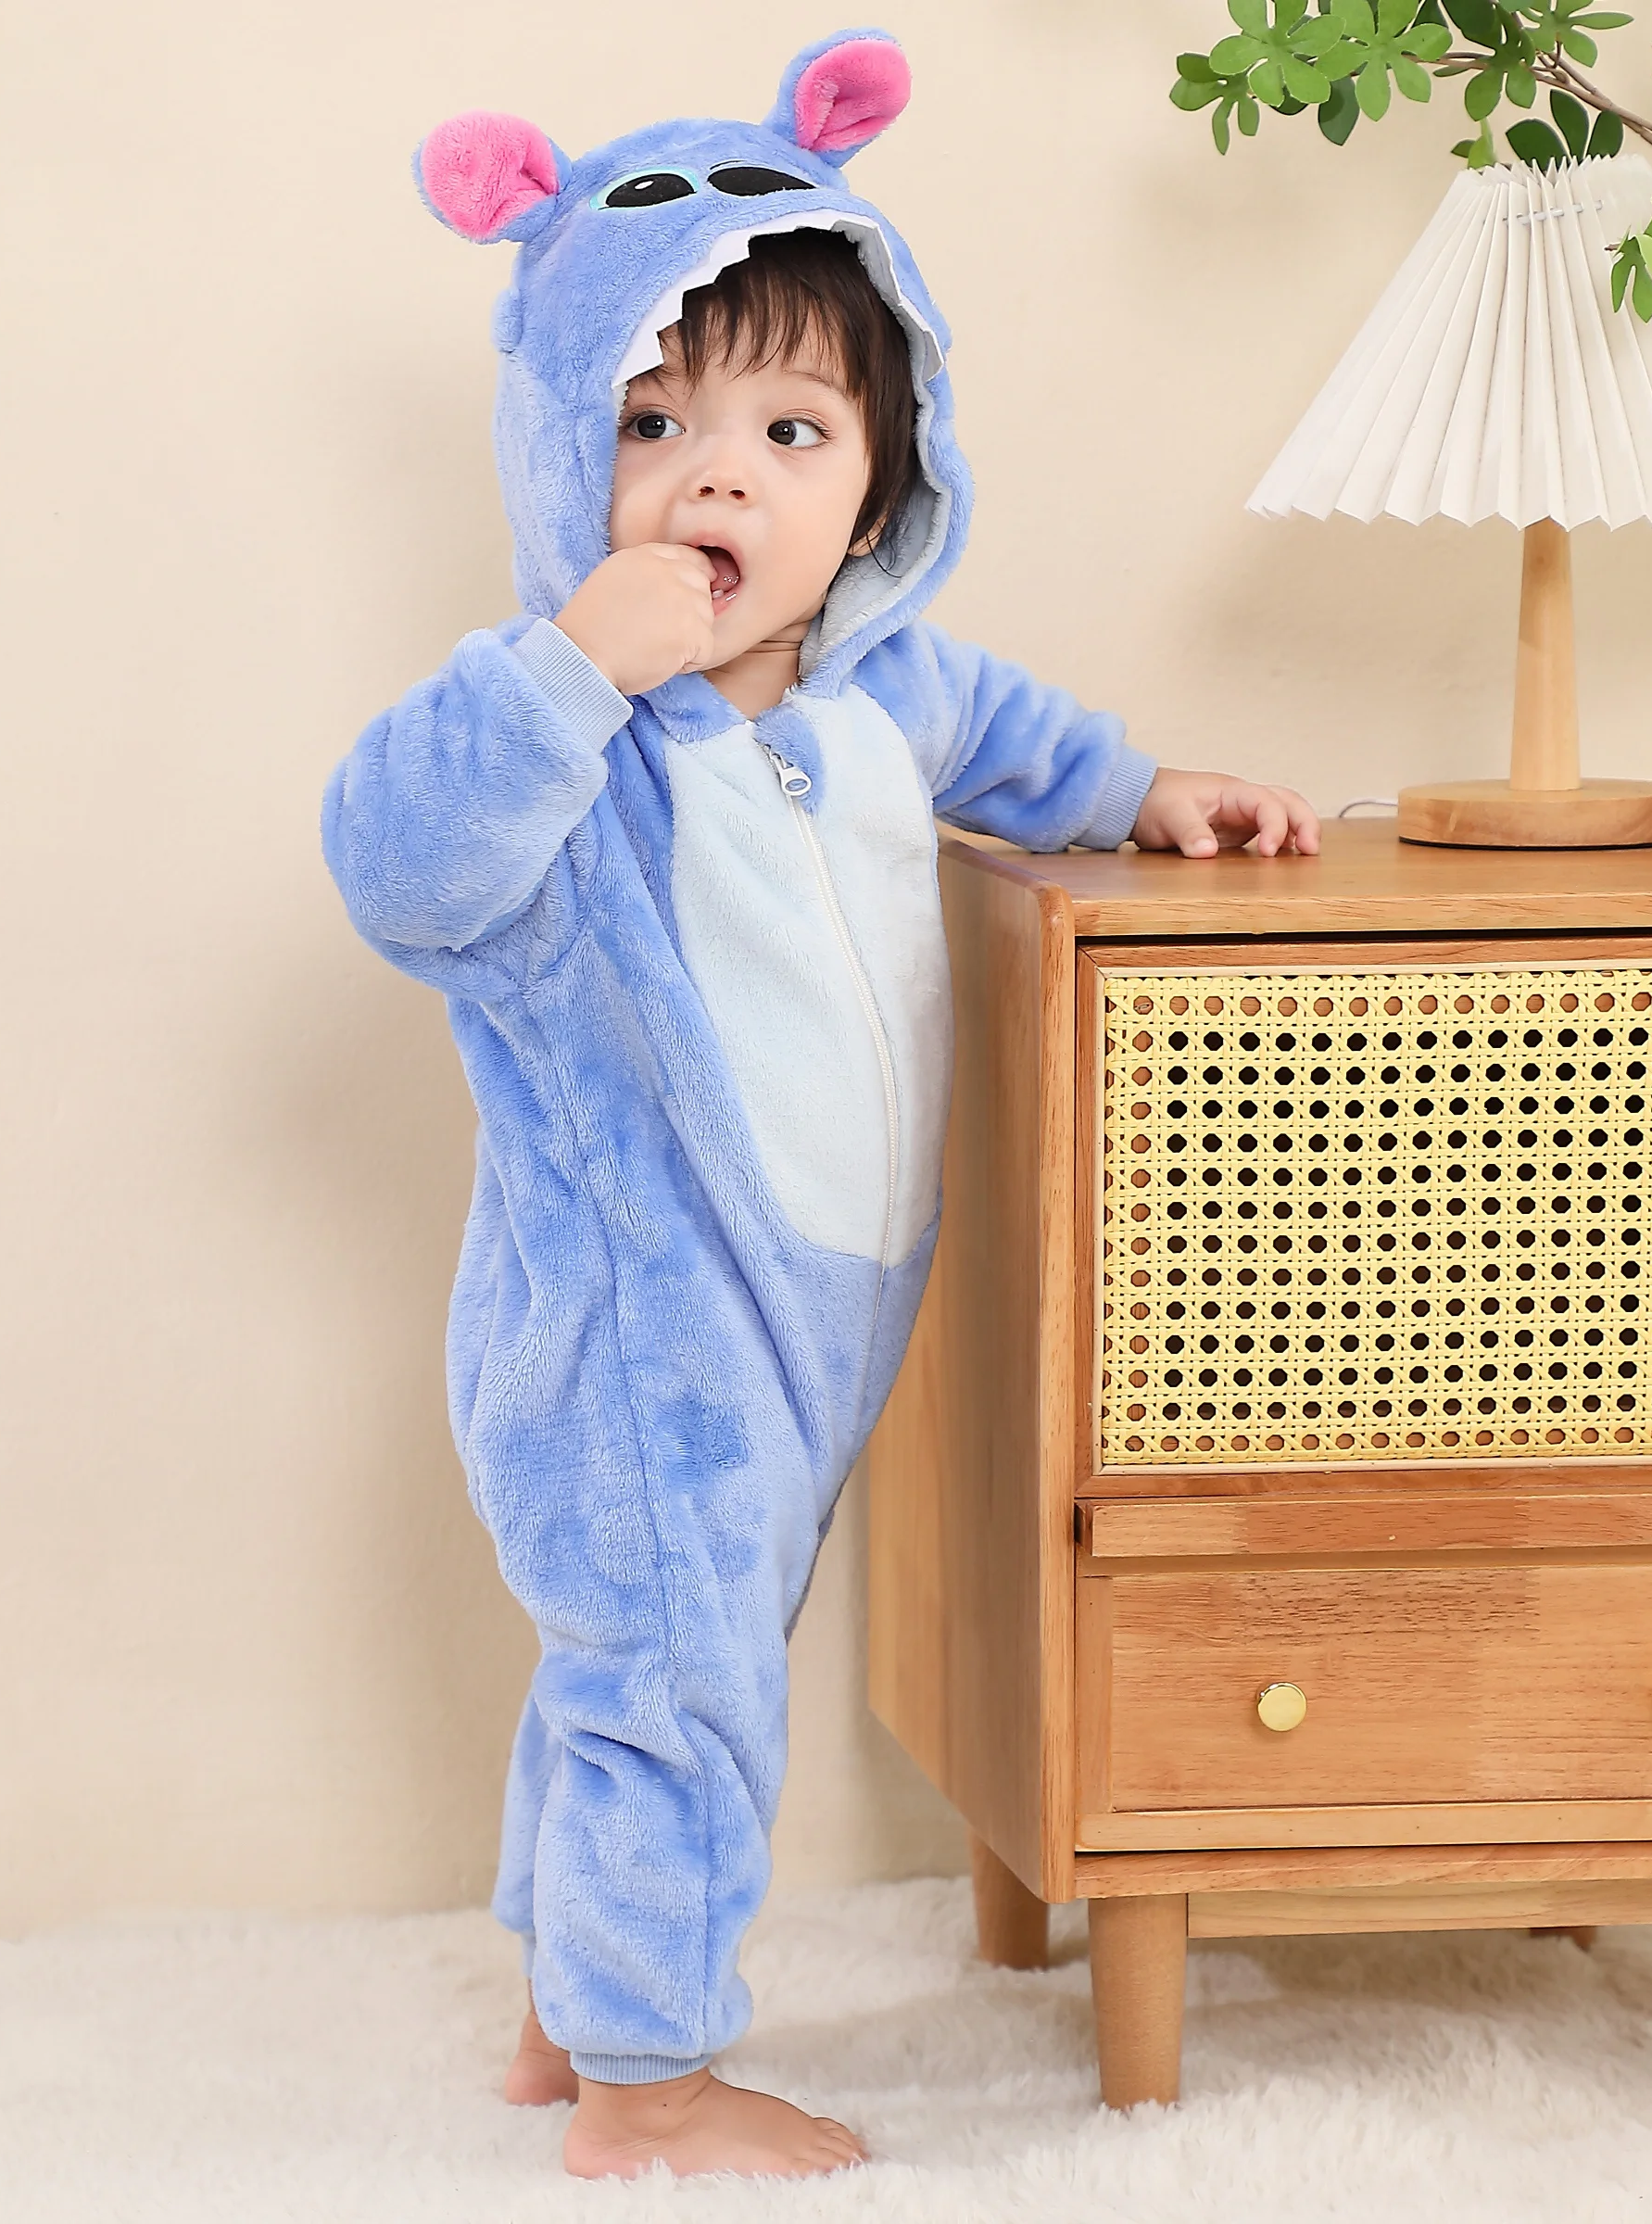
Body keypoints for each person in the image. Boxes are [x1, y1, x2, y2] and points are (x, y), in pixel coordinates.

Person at [322, 32, 1317, 2181]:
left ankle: (566, 1998)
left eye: (789, 431)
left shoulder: (884, 692)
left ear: (881, 479)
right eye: (651, 425)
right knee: (675, 1673)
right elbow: (394, 863)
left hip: (811, 1313)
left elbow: (1028, 745)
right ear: (557, 458)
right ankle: (647, 2084)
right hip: (638, 1321)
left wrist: (1153, 790)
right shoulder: (563, 754)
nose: (719, 483)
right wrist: (572, 666)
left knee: (660, 1651)